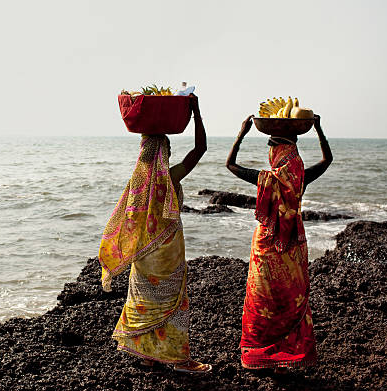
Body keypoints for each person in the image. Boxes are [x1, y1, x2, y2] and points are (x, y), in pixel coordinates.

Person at [99, 95, 211, 373]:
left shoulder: (135, 184)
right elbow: (200, 148)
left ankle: (149, 356)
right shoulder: (171, 177)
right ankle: (178, 359)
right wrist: (196, 112)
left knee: (146, 302)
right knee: (172, 305)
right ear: (165, 154)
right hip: (168, 253)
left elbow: (124, 222)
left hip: (143, 255)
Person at [225, 114, 332, 373]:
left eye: (271, 148)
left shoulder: (266, 179)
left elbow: (231, 164)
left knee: (263, 301)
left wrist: (242, 133)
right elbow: (327, 160)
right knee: (290, 300)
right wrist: (318, 128)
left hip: (265, 247)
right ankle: (285, 360)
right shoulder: (300, 178)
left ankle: (263, 356)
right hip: (293, 245)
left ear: (276, 152)